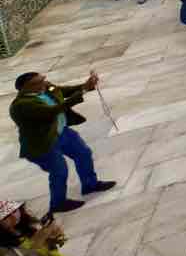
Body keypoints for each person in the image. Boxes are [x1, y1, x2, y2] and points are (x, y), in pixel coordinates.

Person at [9, 73, 114, 216]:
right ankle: (58, 203)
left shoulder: (47, 88)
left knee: (83, 153)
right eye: (40, 81)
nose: (45, 83)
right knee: (59, 170)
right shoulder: (22, 105)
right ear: (27, 87)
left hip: (62, 132)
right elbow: (52, 111)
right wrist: (82, 92)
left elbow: (64, 91)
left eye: (43, 79)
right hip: (43, 143)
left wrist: (86, 85)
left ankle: (90, 185)